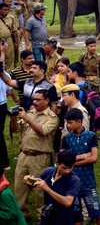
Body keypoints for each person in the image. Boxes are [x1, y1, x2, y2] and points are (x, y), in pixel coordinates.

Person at [13, 90, 59, 218]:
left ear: (47, 101)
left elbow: (43, 131)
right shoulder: (30, 112)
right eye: (34, 99)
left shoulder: (52, 117)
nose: (34, 102)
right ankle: (21, 215)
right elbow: (22, 131)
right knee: (19, 188)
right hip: (24, 155)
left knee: (40, 191)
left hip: (40, 157)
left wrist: (27, 119)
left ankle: (42, 217)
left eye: (38, 100)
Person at [61, 109, 100, 225]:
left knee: (97, 214)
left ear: (79, 121)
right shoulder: (66, 139)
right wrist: (84, 156)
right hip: (71, 184)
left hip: (88, 183)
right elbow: (62, 161)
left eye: (70, 122)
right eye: (67, 122)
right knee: (76, 217)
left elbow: (94, 158)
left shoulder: (91, 136)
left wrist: (72, 161)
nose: (68, 125)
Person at [32, 150, 81, 225]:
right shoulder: (48, 172)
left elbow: (68, 202)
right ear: (57, 164)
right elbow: (37, 183)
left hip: (63, 219)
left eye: (70, 168)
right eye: (64, 168)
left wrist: (47, 189)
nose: (67, 171)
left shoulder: (74, 180)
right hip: (47, 216)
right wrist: (30, 181)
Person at [0, 53, 19, 170]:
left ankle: (4, 163)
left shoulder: (4, 75)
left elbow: (10, 90)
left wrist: (17, 101)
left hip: (1, 105)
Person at [0, 1, 20, 70]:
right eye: (4, 10)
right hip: (0, 41)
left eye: (7, 10)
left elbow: (15, 31)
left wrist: (16, 42)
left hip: (9, 40)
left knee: (10, 59)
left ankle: (9, 75)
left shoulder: (11, 18)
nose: (7, 11)